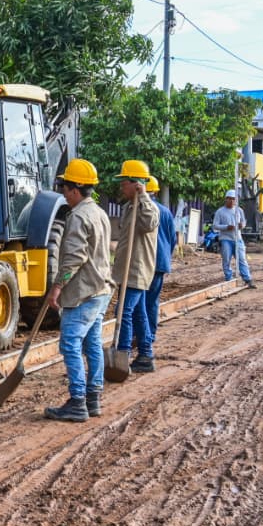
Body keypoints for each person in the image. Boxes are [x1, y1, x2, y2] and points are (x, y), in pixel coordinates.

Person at [43, 159, 112, 422]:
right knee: (92, 343)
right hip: (101, 290)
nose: (62, 192)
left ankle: (77, 401)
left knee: (70, 344)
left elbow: (73, 258)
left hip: (84, 293)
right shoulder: (100, 213)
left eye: (64, 187)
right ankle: (93, 398)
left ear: (76, 189)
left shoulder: (79, 217)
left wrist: (56, 288)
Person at [112, 160, 159, 375]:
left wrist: (144, 197)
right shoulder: (128, 207)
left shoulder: (148, 208)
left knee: (124, 311)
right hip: (126, 270)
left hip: (137, 270)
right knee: (139, 313)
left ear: (137, 184)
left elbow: (149, 223)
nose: (122, 187)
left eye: (125, 183)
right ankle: (146, 355)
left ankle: (122, 355)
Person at [137, 175, 175, 373]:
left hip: (146, 262)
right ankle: (149, 336)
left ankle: (143, 339)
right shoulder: (166, 212)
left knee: (139, 303)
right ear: (156, 191)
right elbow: (172, 238)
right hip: (160, 262)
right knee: (152, 302)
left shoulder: (141, 209)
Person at [213, 189, 255, 287]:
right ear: (226, 199)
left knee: (242, 259)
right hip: (225, 239)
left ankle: (247, 279)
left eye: (233, 199)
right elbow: (215, 225)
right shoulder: (220, 211)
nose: (232, 201)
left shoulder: (239, 210)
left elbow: (244, 222)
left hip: (238, 238)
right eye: (230, 199)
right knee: (226, 259)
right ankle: (229, 278)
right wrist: (226, 227)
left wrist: (242, 225)